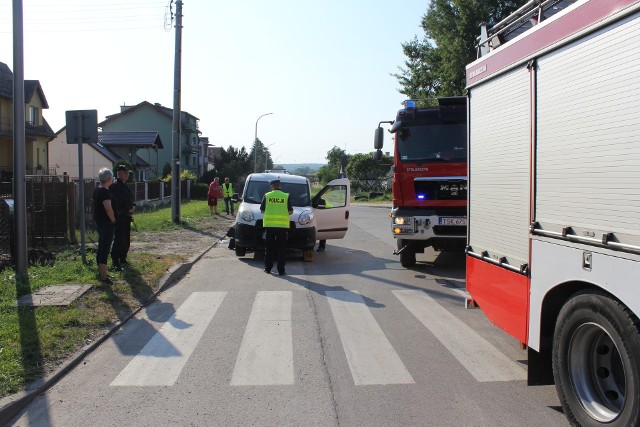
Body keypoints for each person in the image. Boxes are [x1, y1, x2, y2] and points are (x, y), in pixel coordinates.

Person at [260, 179, 293, 276]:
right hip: (282, 227)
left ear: (272, 186)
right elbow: (290, 212)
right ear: (280, 186)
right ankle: (281, 271)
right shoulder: (286, 196)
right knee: (281, 249)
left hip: (269, 226)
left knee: (269, 248)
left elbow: (262, 211)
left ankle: (268, 269)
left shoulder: (267, 196)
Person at [93, 167, 117, 285]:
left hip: (99, 222)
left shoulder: (97, 190)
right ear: (108, 178)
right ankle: (103, 276)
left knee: (101, 246)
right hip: (106, 224)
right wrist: (113, 220)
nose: (113, 179)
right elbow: (108, 208)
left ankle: (101, 272)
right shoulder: (105, 192)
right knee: (105, 249)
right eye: (112, 177)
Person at [109, 164, 135, 270]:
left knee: (126, 238)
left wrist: (132, 206)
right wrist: (126, 209)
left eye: (127, 172)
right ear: (120, 174)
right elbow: (117, 202)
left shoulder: (124, 184)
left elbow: (128, 198)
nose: (128, 175)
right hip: (120, 216)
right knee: (119, 238)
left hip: (126, 216)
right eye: (126, 173)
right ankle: (115, 260)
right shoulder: (115, 186)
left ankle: (123, 257)